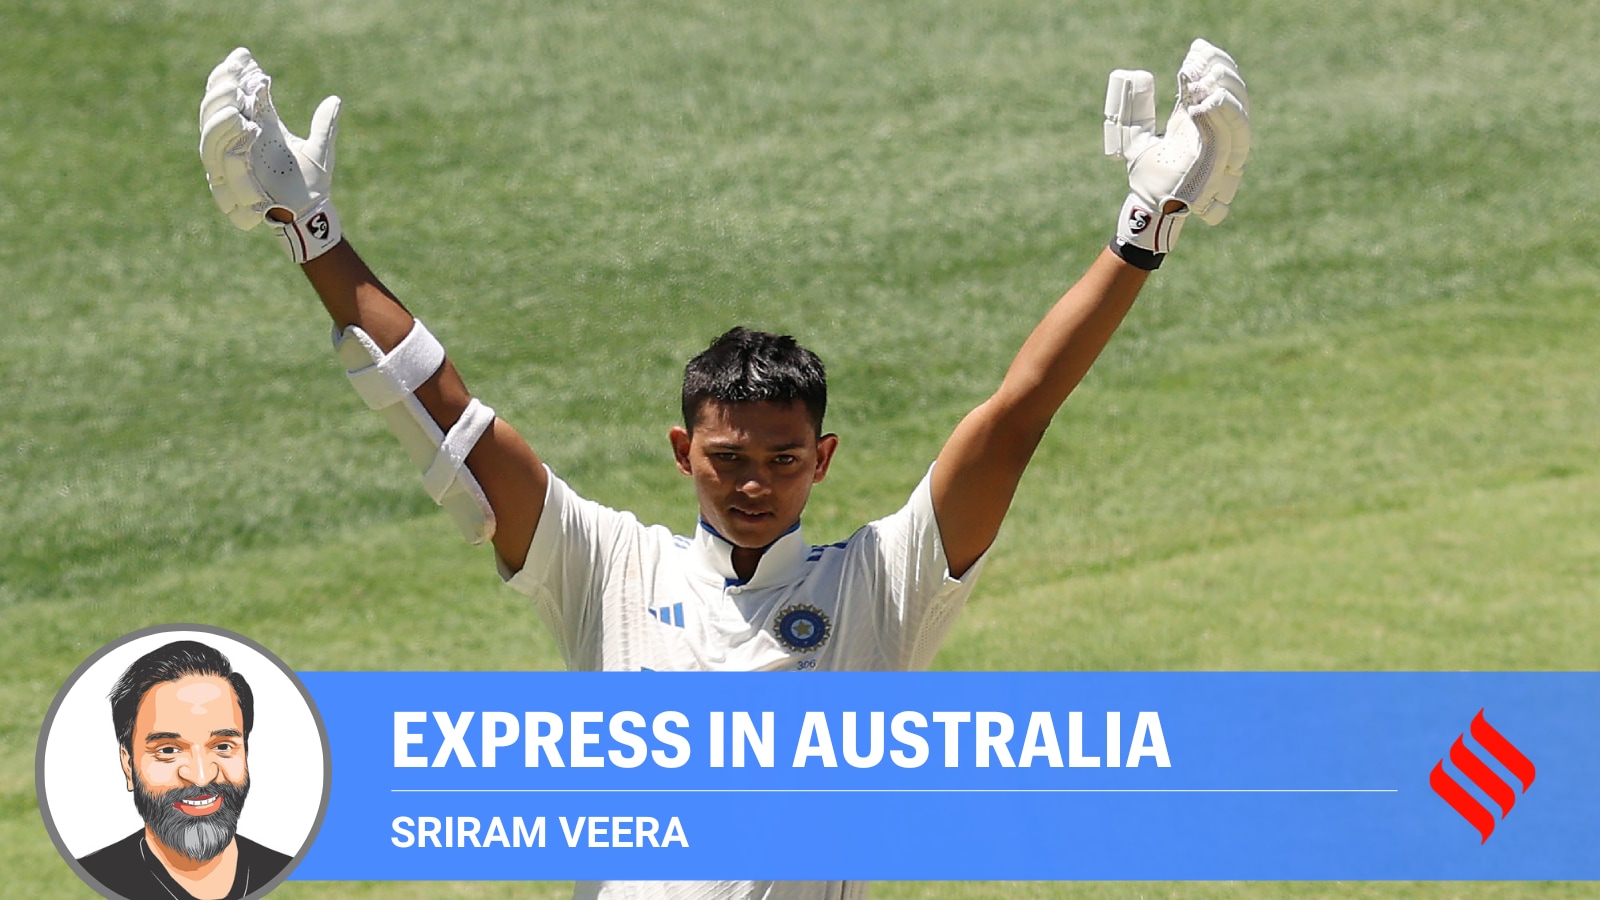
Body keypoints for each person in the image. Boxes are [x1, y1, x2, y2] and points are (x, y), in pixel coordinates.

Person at [197, 38, 1248, 900]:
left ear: (823, 460)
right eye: (728, 459)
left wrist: (1140, 234)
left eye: (783, 460)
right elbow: (452, 420)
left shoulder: (879, 587)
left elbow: (1017, 415)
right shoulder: (608, 568)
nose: (754, 484)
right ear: (681, 452)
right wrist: (312, 232)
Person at [77, 641, 292, 900]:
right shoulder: (92, 879)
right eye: (168, 750)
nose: (201, 776)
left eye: (223, 746)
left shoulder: (286, 873)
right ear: (128, 763)